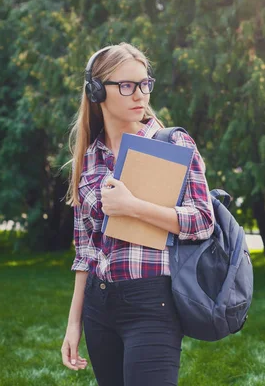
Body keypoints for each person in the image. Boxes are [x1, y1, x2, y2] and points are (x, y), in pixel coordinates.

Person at [60, 42, 215, 386]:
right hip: (99, 306)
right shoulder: (88, 157)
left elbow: (203, 221)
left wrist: (133, 207)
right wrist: (75, 324)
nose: (139, 94)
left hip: (152, 302)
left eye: (145, 84)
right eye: (127, 86)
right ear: (97, 92)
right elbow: (85, 250)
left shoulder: (171, 144)